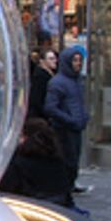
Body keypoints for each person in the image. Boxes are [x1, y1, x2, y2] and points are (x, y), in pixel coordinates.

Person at [0, 117, 75, 208]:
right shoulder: (58, 162)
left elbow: (6, 190)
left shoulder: (18, 164)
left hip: (28, 207)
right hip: (57, 208)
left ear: (26, 138)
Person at [42, 47, 90, 193]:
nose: (78, 63)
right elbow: (50, 107)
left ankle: (69, 185)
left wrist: (84, 116)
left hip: (75, 126)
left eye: (80, 60)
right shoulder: (58, 82)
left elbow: (79, 102)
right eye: (75, 60)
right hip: (64, 129)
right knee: (67, 160)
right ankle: (64, 187)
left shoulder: (77, 81)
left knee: (74, 159)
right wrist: (69, 119)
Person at [29, 47, 57, 118]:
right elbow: (37, 99)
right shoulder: (40, 77)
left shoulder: (50, 74)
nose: (55, 61)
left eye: (55, 58)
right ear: (42, 61)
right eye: (51, 59)